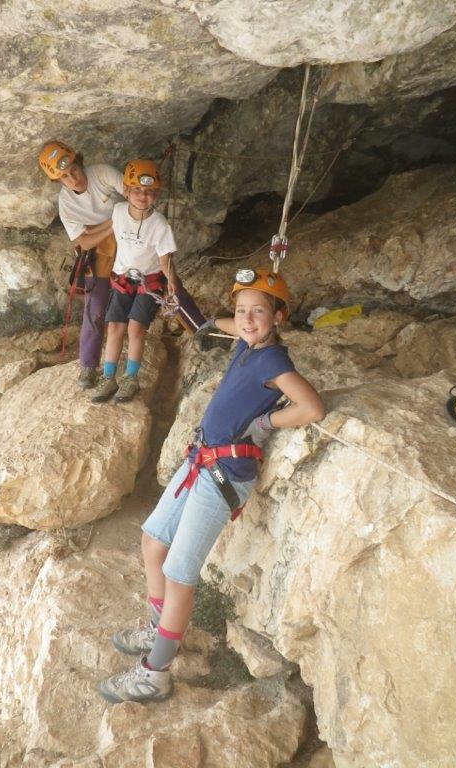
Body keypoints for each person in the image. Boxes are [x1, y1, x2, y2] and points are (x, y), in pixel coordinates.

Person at [96, 268, 325, 703]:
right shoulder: (245, 341)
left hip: (222, 476)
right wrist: (207, 322)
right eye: (241, 311)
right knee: (151, 541)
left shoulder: (274, 361)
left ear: (278, 316)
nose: (247, 319)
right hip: (200, 460)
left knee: (178, 573)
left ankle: (156, 673)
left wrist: (266, 421)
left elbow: (312, 407)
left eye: (258, 312)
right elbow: (230, 326)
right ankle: (160, 631)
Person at [90, 158, 179, 404]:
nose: (143, 196)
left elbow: (165, 259)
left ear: (156, 194)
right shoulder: (118, 212)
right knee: (115, 327)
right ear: (126, 191)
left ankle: (131, 377)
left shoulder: (160, 224)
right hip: (122, 278)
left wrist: (171, 284)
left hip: (147, 282)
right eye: (137, 190)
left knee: (135, 328)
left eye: (149, 192)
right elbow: (109, 232)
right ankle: (108, 377)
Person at [38, 141, 124, 389]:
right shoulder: (66, 203)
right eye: (64, 177)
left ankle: (197, 325)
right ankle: (88, 366)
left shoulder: (102, 174)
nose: (72, 178)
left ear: (79, 162)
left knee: (154, 282)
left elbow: (132, 196)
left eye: (73, 169)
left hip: (128, 237)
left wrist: (99, 228)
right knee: (94, 307)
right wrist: (112, 223)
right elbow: (83, 243)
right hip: (99, 250)